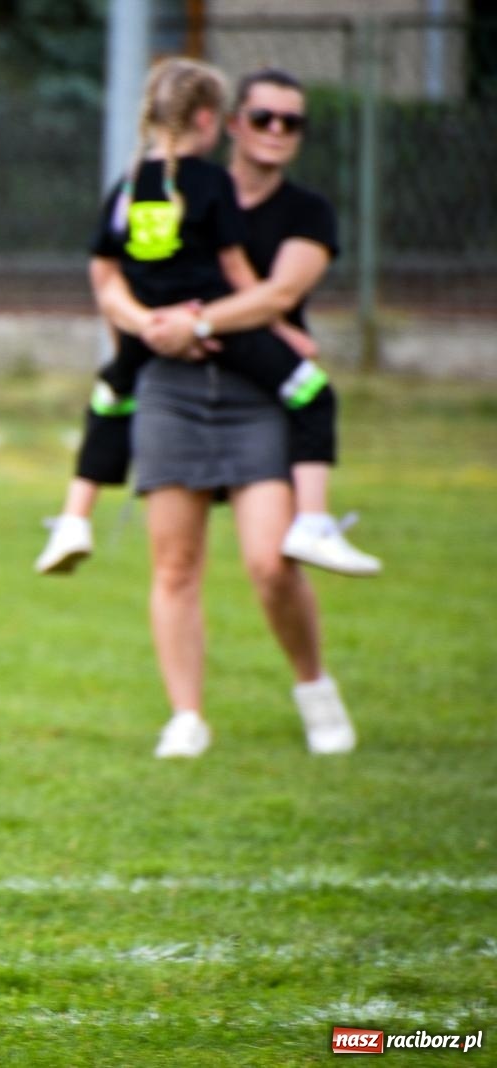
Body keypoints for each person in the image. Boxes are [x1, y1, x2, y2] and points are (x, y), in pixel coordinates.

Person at [68, 58, 358, 757]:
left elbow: (274, 297)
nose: (278, 131)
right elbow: (112, 273)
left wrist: (190, 323)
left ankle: (314, 686)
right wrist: (141, 325)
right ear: (226, 123)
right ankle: (187, 716)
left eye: (293, 121)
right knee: (175, 565)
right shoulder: (177, 191)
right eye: (264, 117)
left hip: (254, 397)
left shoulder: (303, 212)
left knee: (269, 562)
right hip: (172, 392)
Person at [35, 68, 382, 580]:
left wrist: (142, 323)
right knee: (311, 391)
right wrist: (279, 327)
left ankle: (73, 519)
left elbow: (106, 273)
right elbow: (235, 268)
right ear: (209, 119)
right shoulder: (212, 182)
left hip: (146, 326)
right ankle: (313, 521)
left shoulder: (130, 186)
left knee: (109, 399)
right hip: (213, 322)